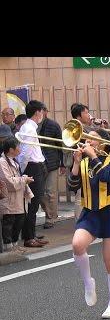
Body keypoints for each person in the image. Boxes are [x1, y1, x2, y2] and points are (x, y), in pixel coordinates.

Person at [67, 129, 110, 318]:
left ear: (103, 142)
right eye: (87, 139)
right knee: (77, 245)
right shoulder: (84, 161)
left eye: (93, 139)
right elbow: (72, 186)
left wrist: (94, 157)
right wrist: (77, 163)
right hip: (90, 212)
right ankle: (88, 282)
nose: (88, 142)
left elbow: (108, 177)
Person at [16, 100, 48, 248]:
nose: (43, 114)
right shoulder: (29, 129)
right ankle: (29, 237)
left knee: (33, 204)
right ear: (37, 112)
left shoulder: (29, 127)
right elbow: (24, 155)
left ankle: (31, 234)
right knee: (33, 204)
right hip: (33, 168)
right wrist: (21, 172)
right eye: (42, 111)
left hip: (35, 167)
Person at [0, 136, 34, 251]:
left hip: (17, 198)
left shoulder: (14, 161)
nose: (19, 148)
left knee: (19, 220)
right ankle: (8, 247)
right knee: (9, 222)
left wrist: (23, 179)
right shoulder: (2, 162)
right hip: (9, 199)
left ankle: (14, 245)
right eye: (18, 146)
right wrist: (24, 180)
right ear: (11, 149)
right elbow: (8, 181)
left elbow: (15, 179)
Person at [38, 105, 64, 229]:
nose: (41, 114)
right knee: (40, 192)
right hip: (38, 163)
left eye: (43, 111)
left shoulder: (53, 125)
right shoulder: (32, 125)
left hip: (52, 162)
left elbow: (60, 145)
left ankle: (51, 218)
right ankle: (49, 214)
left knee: (50, 192)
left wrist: (63, 163)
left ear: (46, 112)